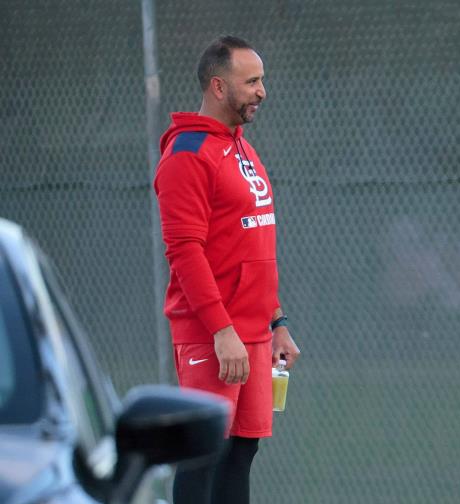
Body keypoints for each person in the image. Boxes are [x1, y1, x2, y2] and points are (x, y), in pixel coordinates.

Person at [153, 35, 300, 504]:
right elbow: (184, 251)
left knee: (241, 452)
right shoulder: (187, 154)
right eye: (251, 81)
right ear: (219, 86)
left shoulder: (241, 148)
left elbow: (250, 245)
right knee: (203, 454)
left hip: (253, 334)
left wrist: (276, 322)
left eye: (262, 80)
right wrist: (221, 330)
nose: (262, 91)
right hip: (212, 335)